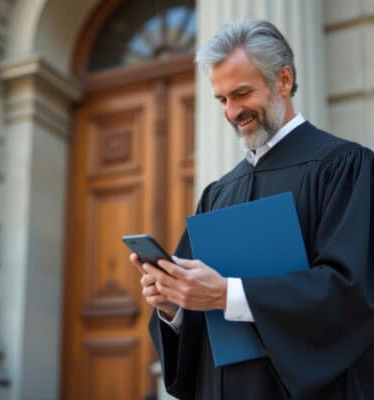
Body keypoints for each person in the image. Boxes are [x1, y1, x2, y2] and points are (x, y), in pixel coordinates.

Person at [130, 19, 374, 399]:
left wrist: (227, 294)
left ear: (284, 80)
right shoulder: (218, 192)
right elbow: (197, 322)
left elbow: (351, 291)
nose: (231, 111)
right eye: (222, 99)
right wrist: (172, 304)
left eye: (242, 93)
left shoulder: (344, 168)